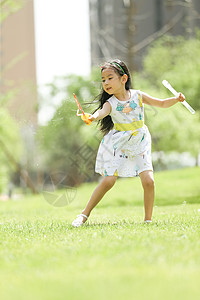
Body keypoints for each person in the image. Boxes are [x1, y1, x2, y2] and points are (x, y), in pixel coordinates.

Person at [72, 59, 185, 227]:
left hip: (140, 141)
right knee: (109, 181)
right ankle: (84, 215)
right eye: (103, 80)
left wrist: (175, 99)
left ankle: (148, 220)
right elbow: (101, 113)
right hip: (120, 142)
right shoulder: (110, 103)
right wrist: (92, 117)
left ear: (123, 79)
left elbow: (160, 103)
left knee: (148, 181)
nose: (106, 82)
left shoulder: (138, 95)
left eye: (110, 78)